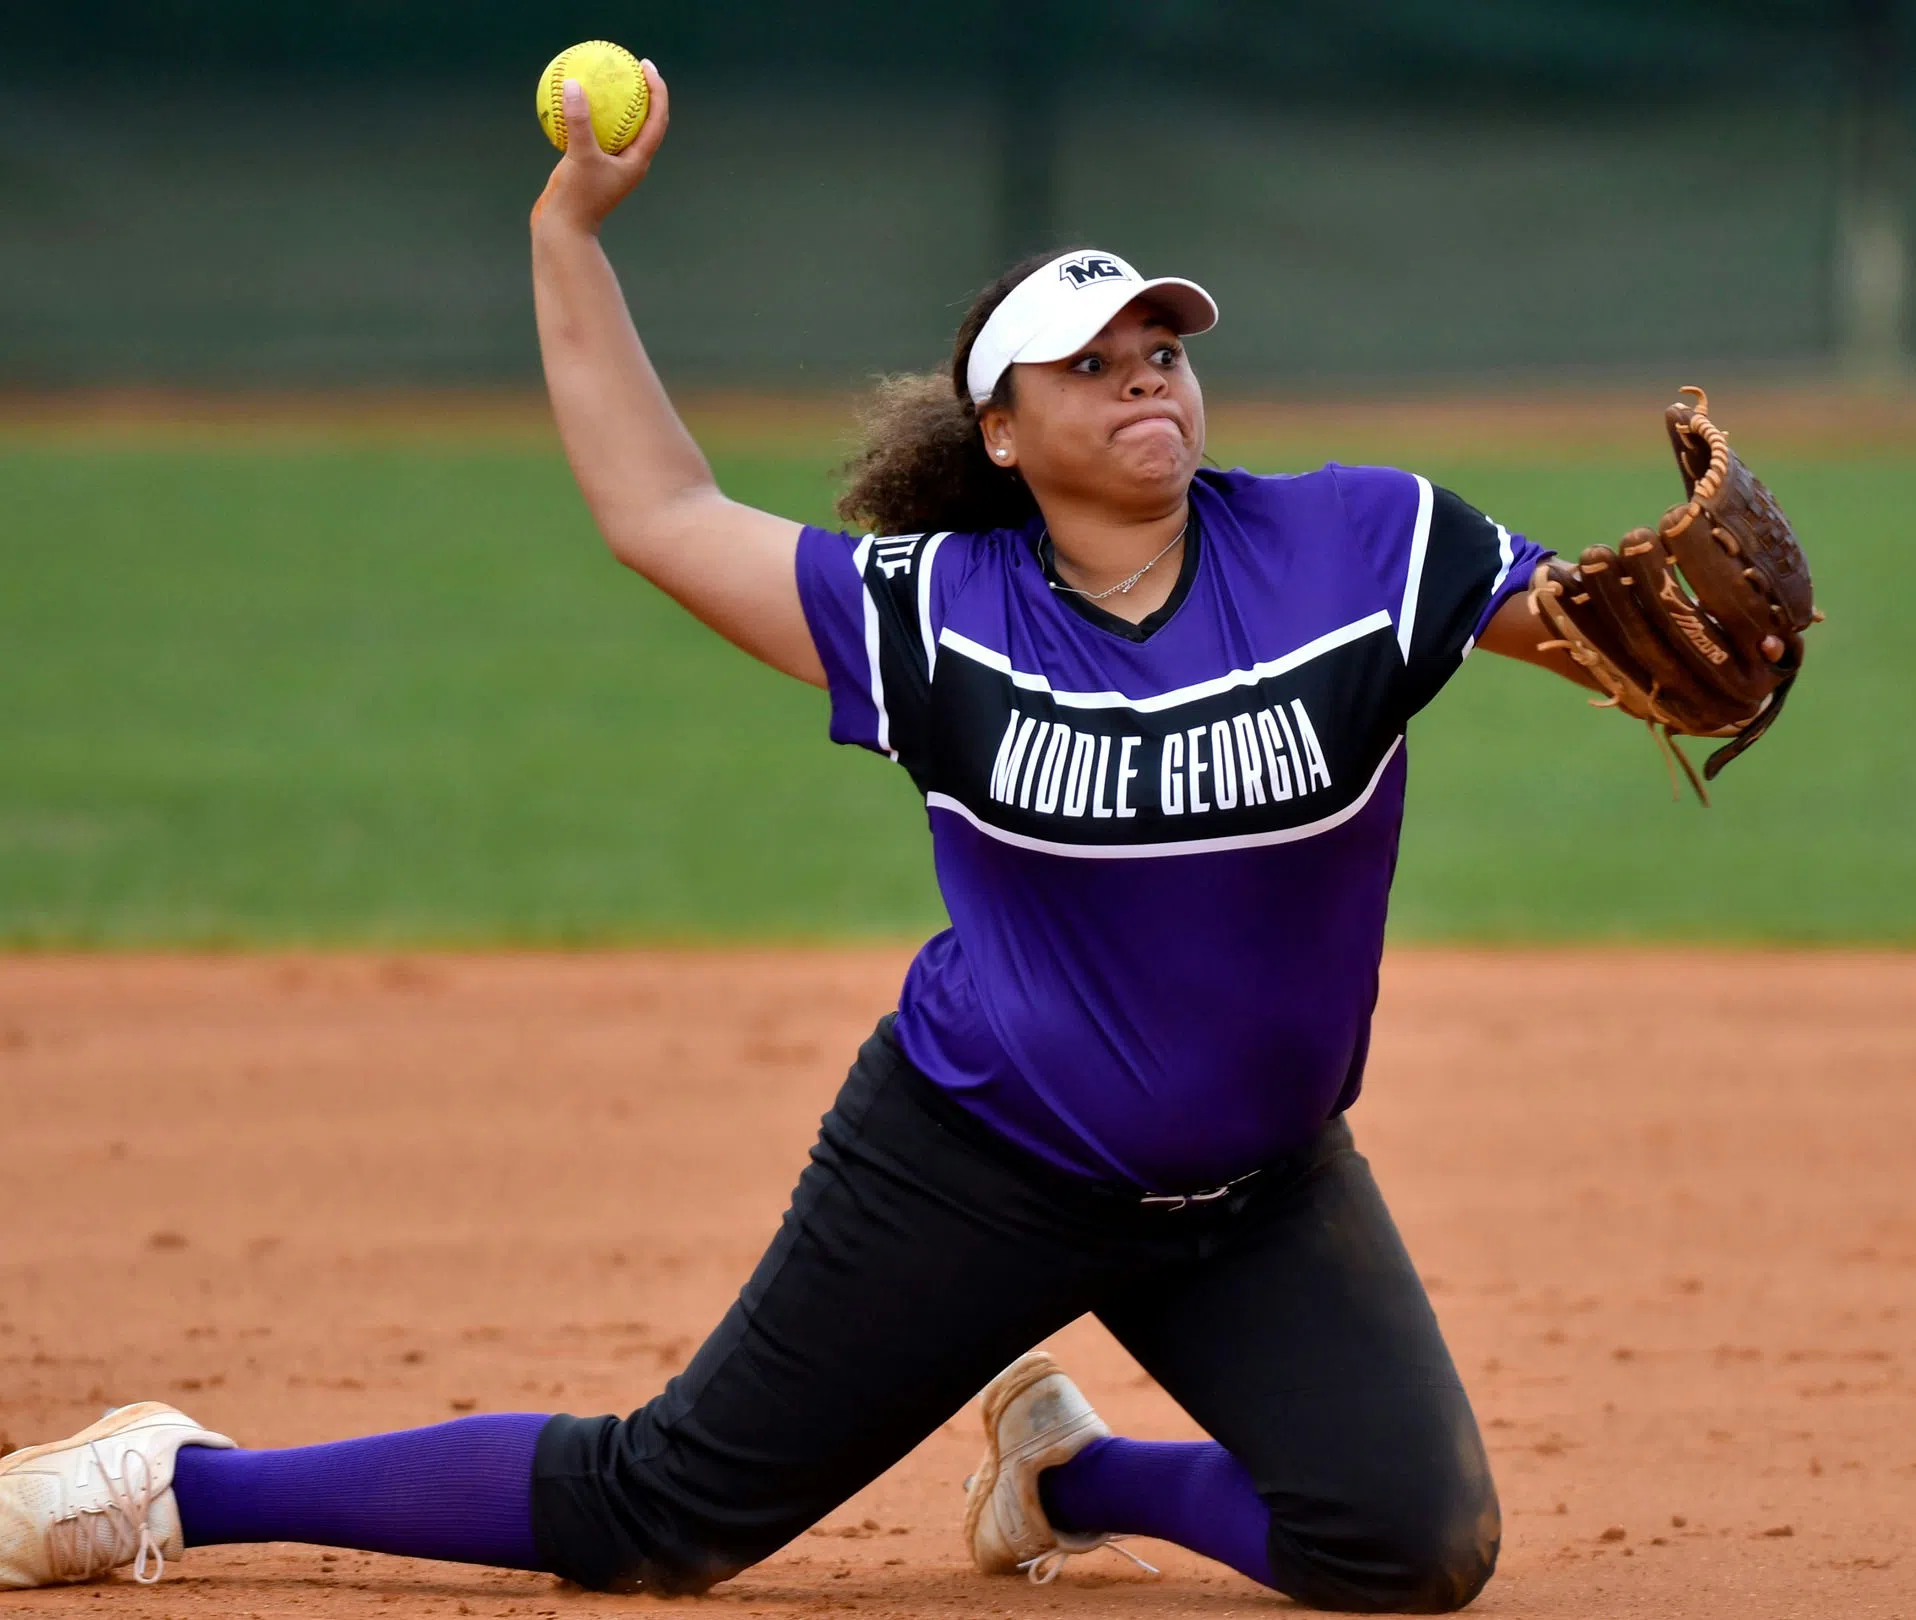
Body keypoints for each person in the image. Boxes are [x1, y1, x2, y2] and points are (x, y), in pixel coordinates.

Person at [0, 60, 1607, 1613]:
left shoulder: (1361, 544)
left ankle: (1067, 1476)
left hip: (1257, 1192)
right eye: (1090, 360)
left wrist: (1677, 648)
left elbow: (1598, 632)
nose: (1143, 375)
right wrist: (568, 236)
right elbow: (660, 514)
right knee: (668, 1514)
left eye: (1161, 349)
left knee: (1412, 1549)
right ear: (997, 432)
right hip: (988, 1159)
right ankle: (183, 1481)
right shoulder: (931, 613)